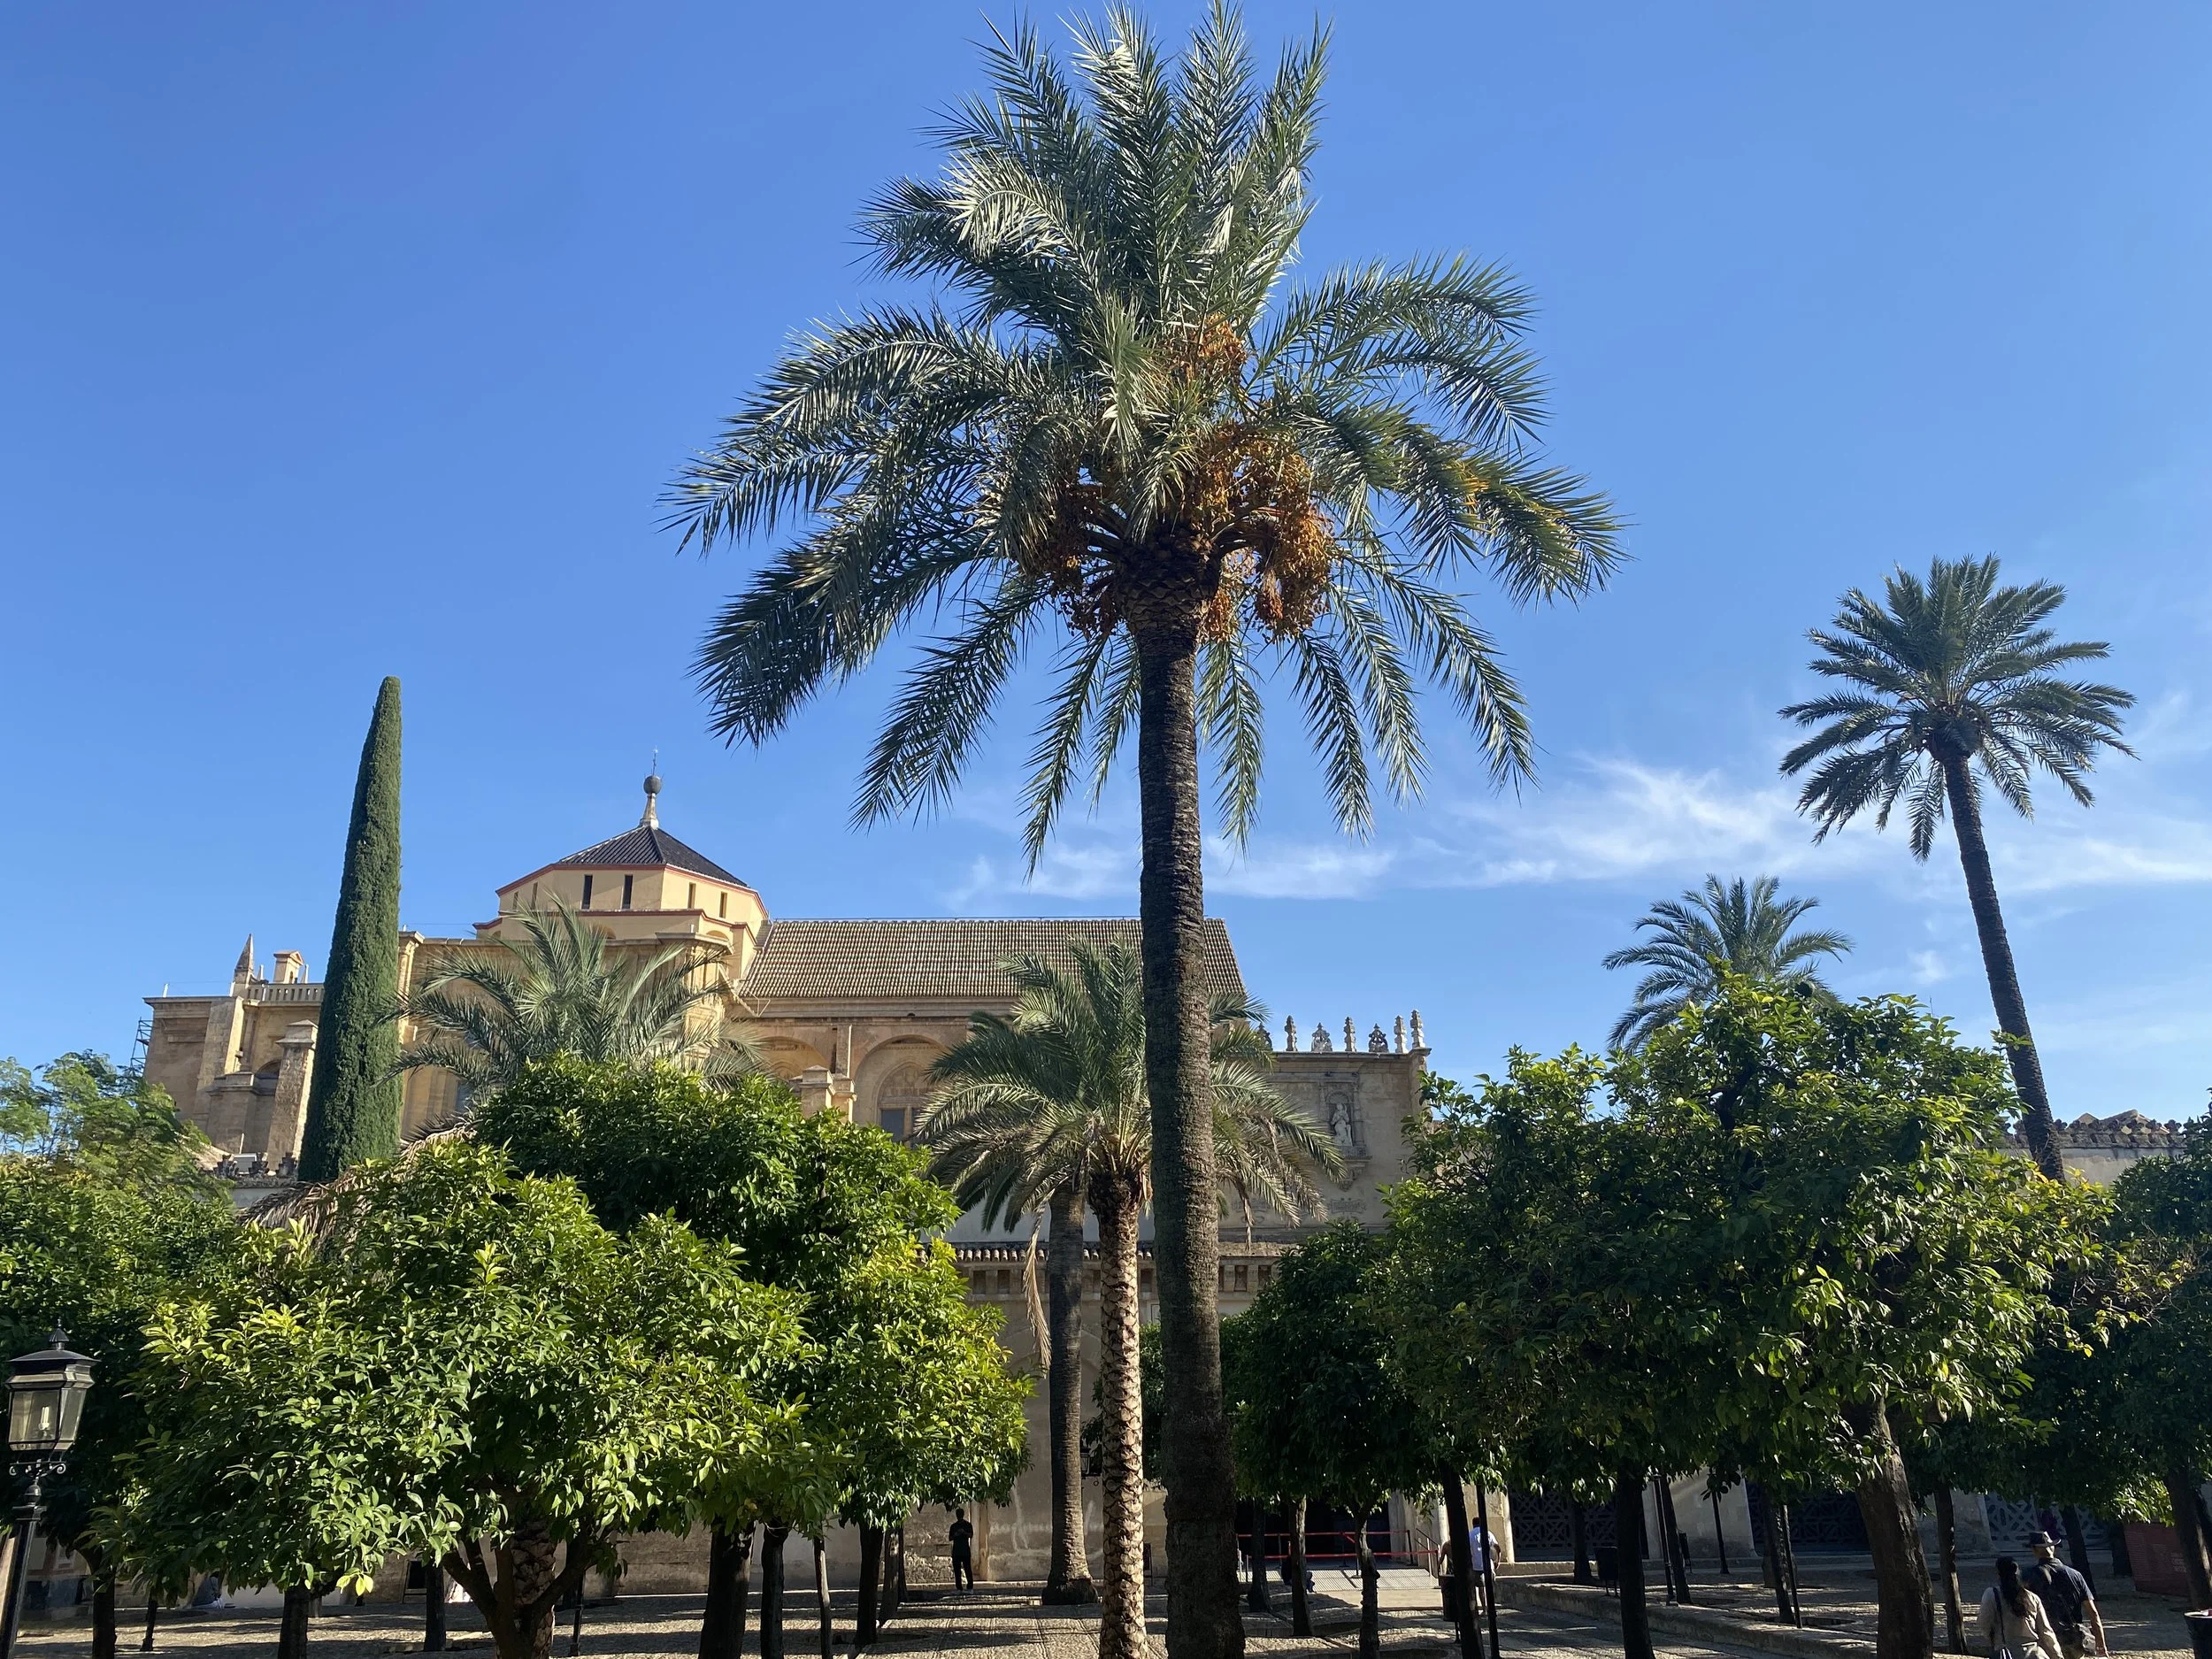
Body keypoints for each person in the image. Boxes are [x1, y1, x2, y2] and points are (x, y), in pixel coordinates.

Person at [2022, 1531, 2108, 1659]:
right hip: (2073, 1638)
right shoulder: (2075, 1575)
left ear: (2034, 1550)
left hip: (2045, 1639)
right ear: (2053, 1548)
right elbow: (2093, 1613)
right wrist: (2101, 1643)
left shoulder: (2028, 1576)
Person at [1981, 1557, 2064, 1659]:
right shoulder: (2032, 1597)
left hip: (2006, 1653)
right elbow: (2046, 1631)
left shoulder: (1992, 1594)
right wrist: (2057, 1655)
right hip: (2034, 1654)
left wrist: (1993, 1640)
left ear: (1998, 1573)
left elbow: (1984, 1624)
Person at [949, 1509, 974, 1592]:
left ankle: (970, 1587)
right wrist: (956, 1534)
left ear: (962, 1515)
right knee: (957, 1571)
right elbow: (950, 1538)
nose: (959, 1516)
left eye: (960, 1514)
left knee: (968, 1569)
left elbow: (971, 1535)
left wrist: (964, 1533)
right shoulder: (953, 1526)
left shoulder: (968, 1525)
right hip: (956, 1551)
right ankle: (959, 1587)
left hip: (965, 1551)